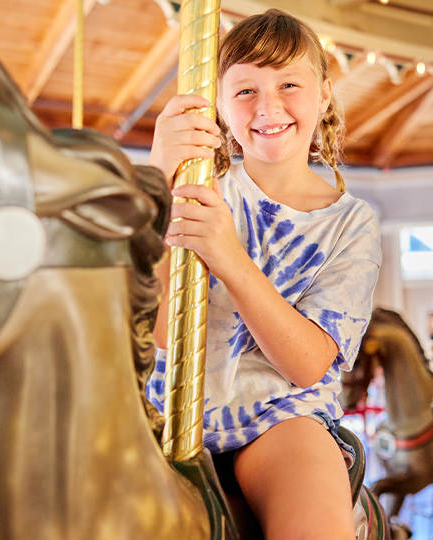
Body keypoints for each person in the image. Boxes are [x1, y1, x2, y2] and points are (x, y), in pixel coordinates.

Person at [144, 9, 381, 539]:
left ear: (323, 96)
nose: (268, 106)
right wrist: (158, 181)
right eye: (245, 90)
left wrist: (229, 258)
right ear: (221, 109)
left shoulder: (351, 224)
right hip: (163, 409)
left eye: (289, 84)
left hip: (281, 418)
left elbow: (307, 364)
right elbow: (160, 334)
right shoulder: (196, 192)